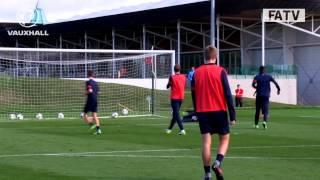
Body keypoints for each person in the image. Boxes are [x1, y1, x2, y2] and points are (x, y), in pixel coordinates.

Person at [192, 45, 236, 180]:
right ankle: (217, 163)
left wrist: (196, 110)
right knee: (225, 138)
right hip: (219, 111)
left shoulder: (196, 73)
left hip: (203, 112)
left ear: (204, 56)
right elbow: (228, 94)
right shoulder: (221, 71)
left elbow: (194, 94)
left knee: (206, 143)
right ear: (215, 57)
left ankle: (207, 174)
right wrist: (233, 115)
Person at [165, 64, 187, 135]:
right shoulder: (184, 77)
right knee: (175, 113)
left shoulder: (172, 77)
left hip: (174, 97)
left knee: (176, 114)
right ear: (180, 69)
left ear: (174, 70)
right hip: (181, 97)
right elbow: (184, 85)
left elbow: (168, 86)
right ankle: (169, 129)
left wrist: (169, 84)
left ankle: (182, 129)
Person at [83, 70, 102, 135]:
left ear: (88, 75)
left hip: (90, 100)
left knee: (84, 115)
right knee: (95, 115)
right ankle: (98, 130)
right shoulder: (96, 83)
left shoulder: (88, 82)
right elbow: (99, 92)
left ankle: (91, 125)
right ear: (93, 75)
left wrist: (85, 93)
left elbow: (90, 90)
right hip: (95, 100)